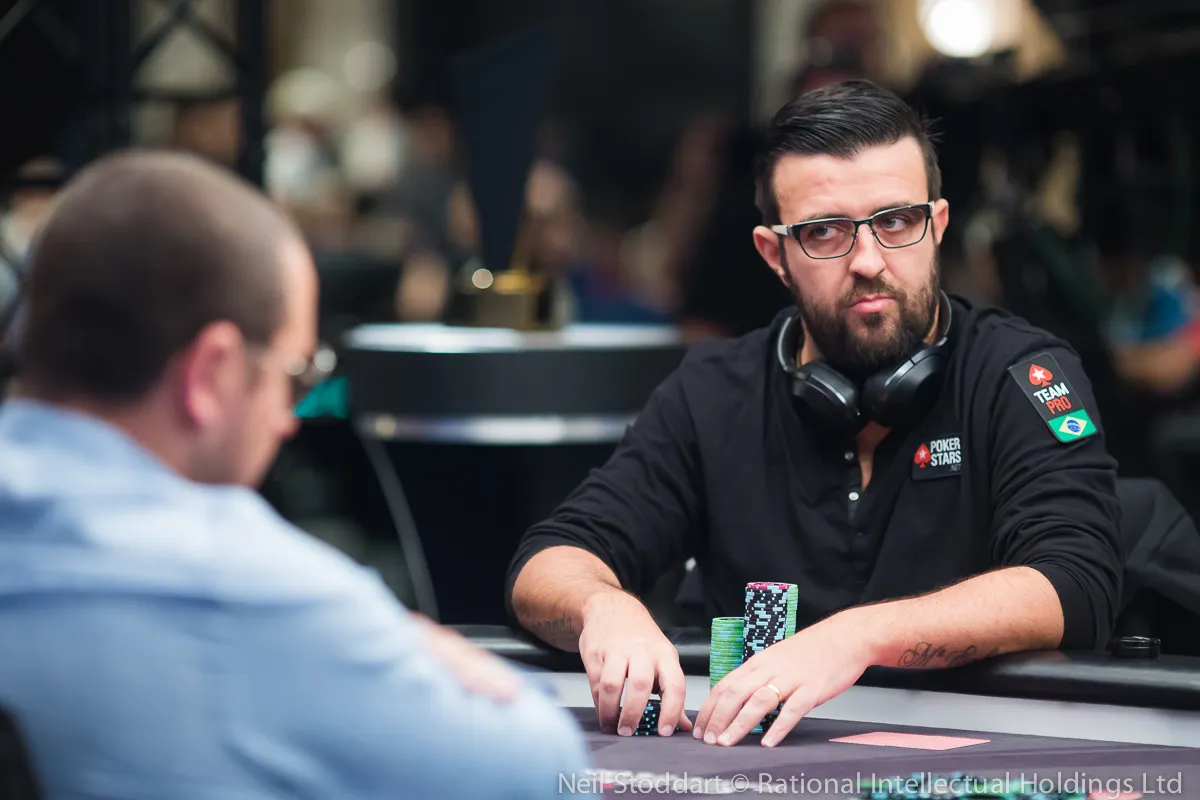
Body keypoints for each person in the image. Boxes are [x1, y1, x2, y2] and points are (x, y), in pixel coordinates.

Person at [506, 80, 1123, 749]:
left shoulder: (1017, 374)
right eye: (824, 232)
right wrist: (603, 607)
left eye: (896, 221)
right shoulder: (713, 392)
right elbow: (547, 561)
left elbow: (1075, 581)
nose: (868, 261)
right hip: (750, 767)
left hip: (980, 754)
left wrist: (857, 637)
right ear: (775, 255)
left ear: (938, 225)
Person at [0, 150, 589, 798]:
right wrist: (419, 651)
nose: (288, 420)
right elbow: (544, 770)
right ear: (211, 373)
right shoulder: (251, 595)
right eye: (295, 376)